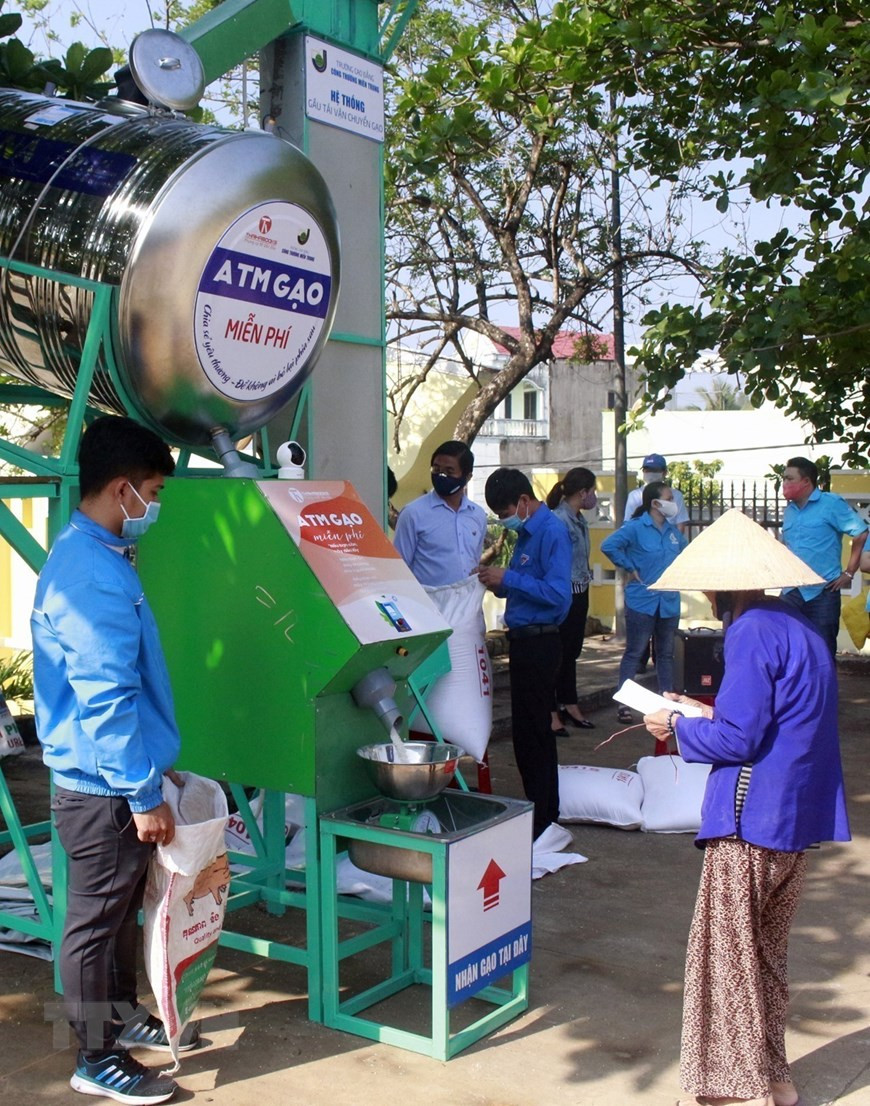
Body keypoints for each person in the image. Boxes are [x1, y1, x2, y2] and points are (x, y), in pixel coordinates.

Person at [641, 508, 850, 1106]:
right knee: (764, 958)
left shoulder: (750, 630)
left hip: (749, 821)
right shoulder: (797, 624)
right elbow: (775, 722)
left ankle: (732, 1093)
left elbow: (739, 741)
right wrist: (700, 711)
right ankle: (775, 1080)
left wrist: (675, 725)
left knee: (725, 960)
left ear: (716, 585)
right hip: (792, 823)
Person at [31, 416, 196, 1105]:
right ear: (122, 489)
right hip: (101, 789)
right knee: (95, 925)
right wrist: (140, 791)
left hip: (113, 779)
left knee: (120, 911)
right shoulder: (93, 574)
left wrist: (152, 771)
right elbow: (107, 697)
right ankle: (94, 1057)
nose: (152, 507)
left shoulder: (96, 555)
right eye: (152, 491)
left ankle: (121, 1021)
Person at [477, 468, 571, 840]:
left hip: (541, 642)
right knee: (528, 734)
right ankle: (540, 810)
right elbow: (518, 590)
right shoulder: (525, 535)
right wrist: (497, 581)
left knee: (534, 735)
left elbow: (558, 595)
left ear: (523, 502)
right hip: (524, 641)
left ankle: (545, 817)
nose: (505, 522)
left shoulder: (551, 532)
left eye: (505, 514)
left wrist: (510, 579)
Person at [601, 482, 687, 723]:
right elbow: (608, 545)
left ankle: (667, 701)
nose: (674, 502)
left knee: (666, 654)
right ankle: (624, 703)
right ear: (655, 503)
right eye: (669, 498)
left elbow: (686, 553)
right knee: (635, 652)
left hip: (668, 600)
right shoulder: (636, 528)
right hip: (642, 600)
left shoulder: (672, 532)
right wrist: (629, 566)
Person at [779, 456, 868, 657]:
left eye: (789, 478)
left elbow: (860, 532)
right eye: (784, 478)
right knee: (787, 649)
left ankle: (824, 689)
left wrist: (849, 572)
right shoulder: (790, 511)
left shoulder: (831, 504)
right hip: (791, 591)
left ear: (806, 481)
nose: (784, 483)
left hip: (823, 592)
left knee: (823, 651)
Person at [393, 440, 487, 586]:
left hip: (468, 604)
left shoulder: (477, 515)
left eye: (449, 471)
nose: (441, 475)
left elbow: (474, 559)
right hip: (429, 605)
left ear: (467, 477)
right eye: (436, 470)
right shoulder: (413, 514)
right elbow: (399, 568)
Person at [546, 468, 597, 734]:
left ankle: (569, 702)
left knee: (572, 652)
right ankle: (552, 711)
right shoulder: (559, 520)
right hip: (565, 593)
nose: (594, 497)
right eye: (593, 491)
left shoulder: (579, 519)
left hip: (581, 590)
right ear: (583, 492)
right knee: (559, 654)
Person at [624, 453, 689, 534]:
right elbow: (628, 523)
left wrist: (677, 544)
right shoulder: (635, 495)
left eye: (654, 470)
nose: (650, 473)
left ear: (664, 472)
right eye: (647, 470)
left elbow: (680, 524)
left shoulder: (676, 495)